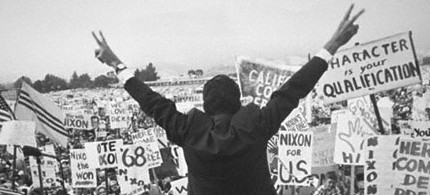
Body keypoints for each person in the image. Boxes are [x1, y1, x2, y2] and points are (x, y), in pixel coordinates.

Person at [92, 4, 364, 195]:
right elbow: (294, 90)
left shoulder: (187, 130)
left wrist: (118, 66)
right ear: (237, 103)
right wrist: (332, 46)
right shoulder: (256, 125)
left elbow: (151, 101)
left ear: (206, 107)